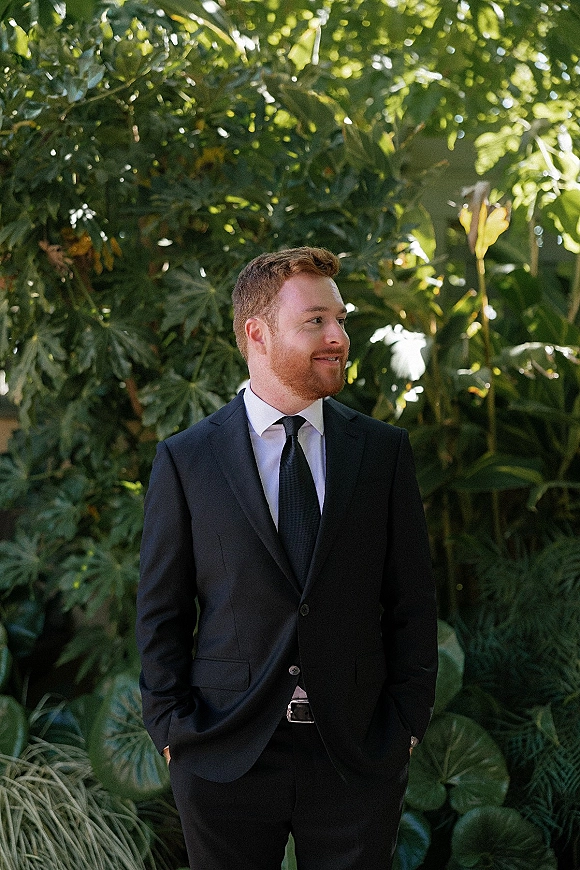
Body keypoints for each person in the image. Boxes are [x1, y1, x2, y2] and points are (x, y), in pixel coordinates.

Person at [136, 246, 438, 870]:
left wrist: (406, 724)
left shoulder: (381, 453)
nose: (339, 337)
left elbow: (412, 602)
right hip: (225, 750)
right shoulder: (187, 460)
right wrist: (172, 730)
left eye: (340, 319)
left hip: (356, 751)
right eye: (316, 322)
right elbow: (160, 612)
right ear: (256, 333)